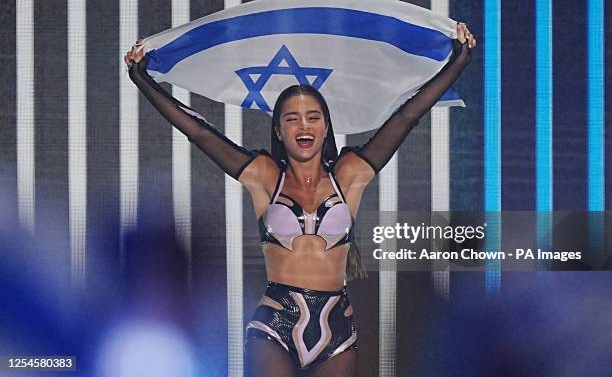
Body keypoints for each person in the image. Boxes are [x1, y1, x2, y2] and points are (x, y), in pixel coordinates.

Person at [125, 23, 476, 377]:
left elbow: (407, 116)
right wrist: (143, 79)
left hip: (337, 326)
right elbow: (199, 132)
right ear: (278, 130)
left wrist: (459, 60)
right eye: (292, 119)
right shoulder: (264, 176)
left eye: (313, 118)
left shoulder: (350, 175)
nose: (303, 126)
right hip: (275, 322)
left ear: (325, 127)